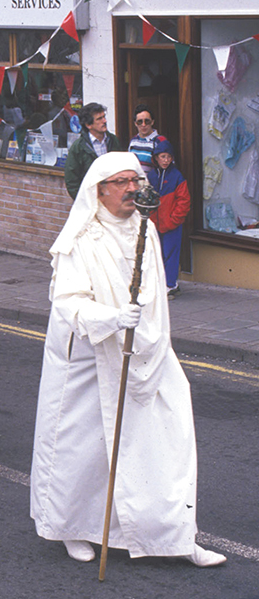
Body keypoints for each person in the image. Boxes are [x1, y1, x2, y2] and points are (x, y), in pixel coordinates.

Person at [29, 151, 226, 568]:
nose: (131, 189)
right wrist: (113, 318)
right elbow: (66, 302)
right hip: (88, 358)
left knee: (167, 440)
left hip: (146, 352)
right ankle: (72, 529)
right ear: (99, 191)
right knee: (85, 451)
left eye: (135, 181)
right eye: (121, 182)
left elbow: (155, 292)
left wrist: (147, 332)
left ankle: (177, 536)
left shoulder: (145, 231)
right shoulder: (80, 239)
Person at [147, 139, 190, 296]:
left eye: (168, 157)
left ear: (172, 159)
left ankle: (170, 284)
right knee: (156, 254)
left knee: (170, 253)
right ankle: (161, 283)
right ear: (156, 158)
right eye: (162, 157)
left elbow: (184, 200)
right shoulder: (151, 176)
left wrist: (174, 219)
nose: (165, 160)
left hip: (171, 223)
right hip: (155, 223)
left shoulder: (176, 176)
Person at [64, 103, 123, 199]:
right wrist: (83, 201)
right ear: (88, 125)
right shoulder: (78, 148)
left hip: (112, 198)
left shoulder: (112, 140)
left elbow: (121, 168)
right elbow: (72, 181)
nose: (105, 121)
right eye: (99, 119)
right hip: (91, 199)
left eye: (104, 117)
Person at [128, 105, 166, 177]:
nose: (143, 125)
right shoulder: (133, 141)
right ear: (135, 124)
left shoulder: (160, 141)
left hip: (153, 186)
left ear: (152, 122)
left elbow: (167, 169)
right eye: (140, 122)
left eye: (147, 121)